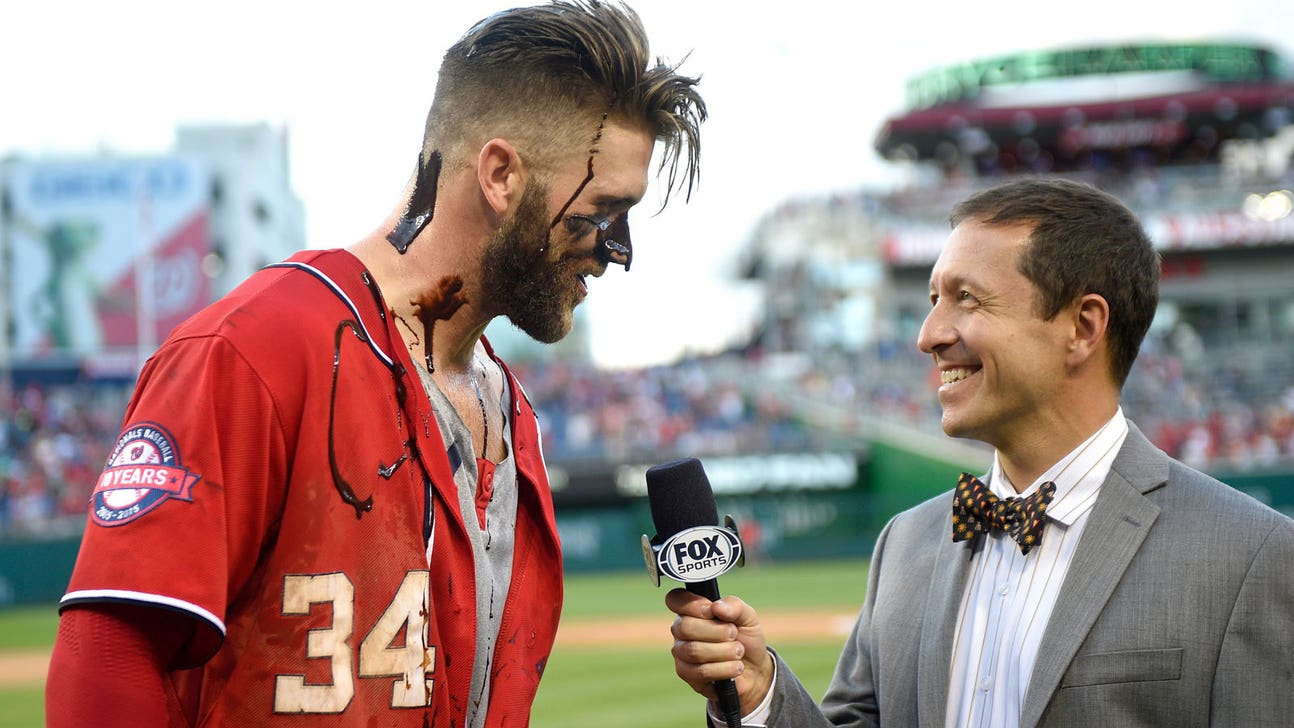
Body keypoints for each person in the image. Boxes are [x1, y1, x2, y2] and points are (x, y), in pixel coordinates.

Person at [46, 2, 705, 725]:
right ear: (501, 176)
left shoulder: (513, 415)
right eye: (606, 210)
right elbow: (107, 665)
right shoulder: (255, 349)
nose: (621, 251)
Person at [666, 178, 1294, 727]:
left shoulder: (1250, 557)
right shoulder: (904, 545)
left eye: (966, 298)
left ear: (1082, 327)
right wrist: (758, 695)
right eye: (933, 299)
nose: (929, 335)